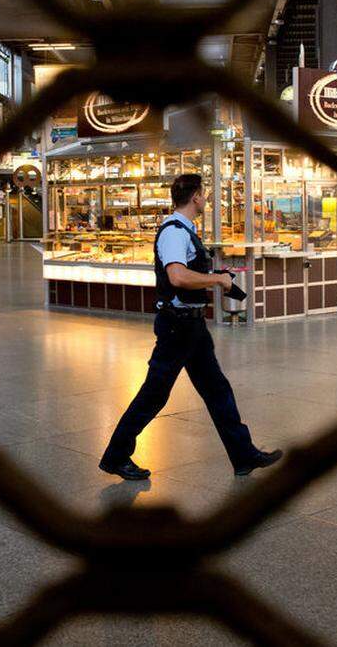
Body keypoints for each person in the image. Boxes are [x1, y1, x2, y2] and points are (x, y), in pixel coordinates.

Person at [99, 174, 283, 480]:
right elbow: (178, 277)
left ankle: (243, 455)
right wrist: (218, 280)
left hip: (192, 327)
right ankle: (116, 455)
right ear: (195, 196)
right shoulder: (174, 232)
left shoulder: (186, 230)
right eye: (204, 194)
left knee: (217, 390)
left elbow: (187, 273)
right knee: (154, 395)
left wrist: (213, 275)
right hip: (177, 327)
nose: (206, 198)